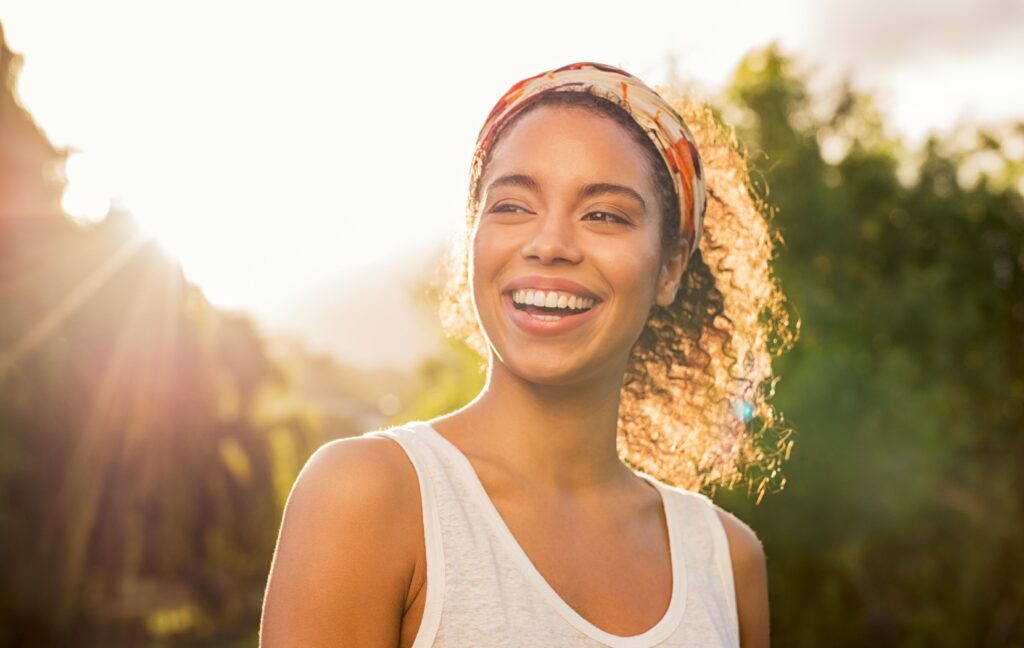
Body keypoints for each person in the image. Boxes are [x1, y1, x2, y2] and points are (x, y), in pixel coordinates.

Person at [260, 61, 794, 647]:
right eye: (512, 206)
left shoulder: (726, 561)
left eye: (603, 215)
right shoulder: (367, 497)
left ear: (670, 267)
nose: (549, 244)